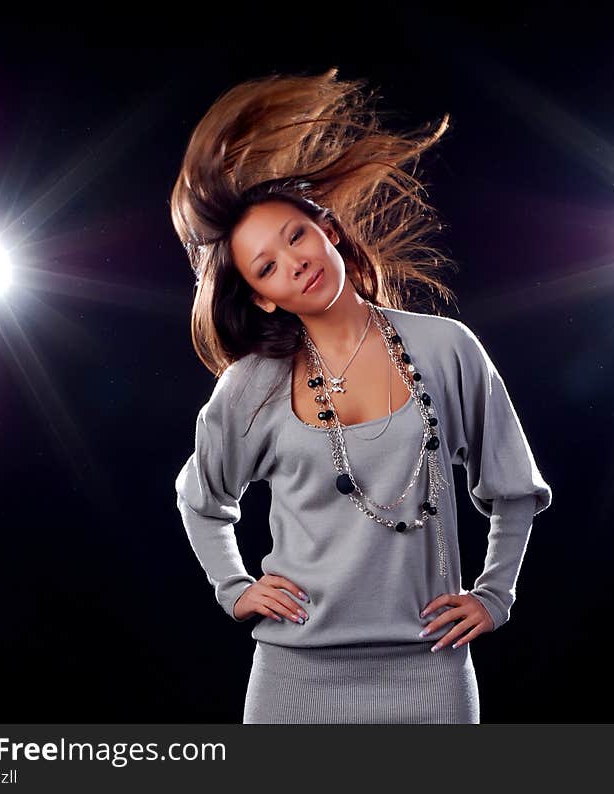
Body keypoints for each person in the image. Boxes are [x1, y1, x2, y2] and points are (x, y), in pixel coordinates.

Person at [170, 67, 553, 724]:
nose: (293, 262)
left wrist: (495, 595)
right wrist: (235, 588)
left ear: (329, 231)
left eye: (296, 236)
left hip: (429, 672)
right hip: (295, 679)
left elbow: (514, 488)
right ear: (264, 295)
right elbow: (200, 499)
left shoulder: (446, 348)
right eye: (266, 266)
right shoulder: (252, 386)